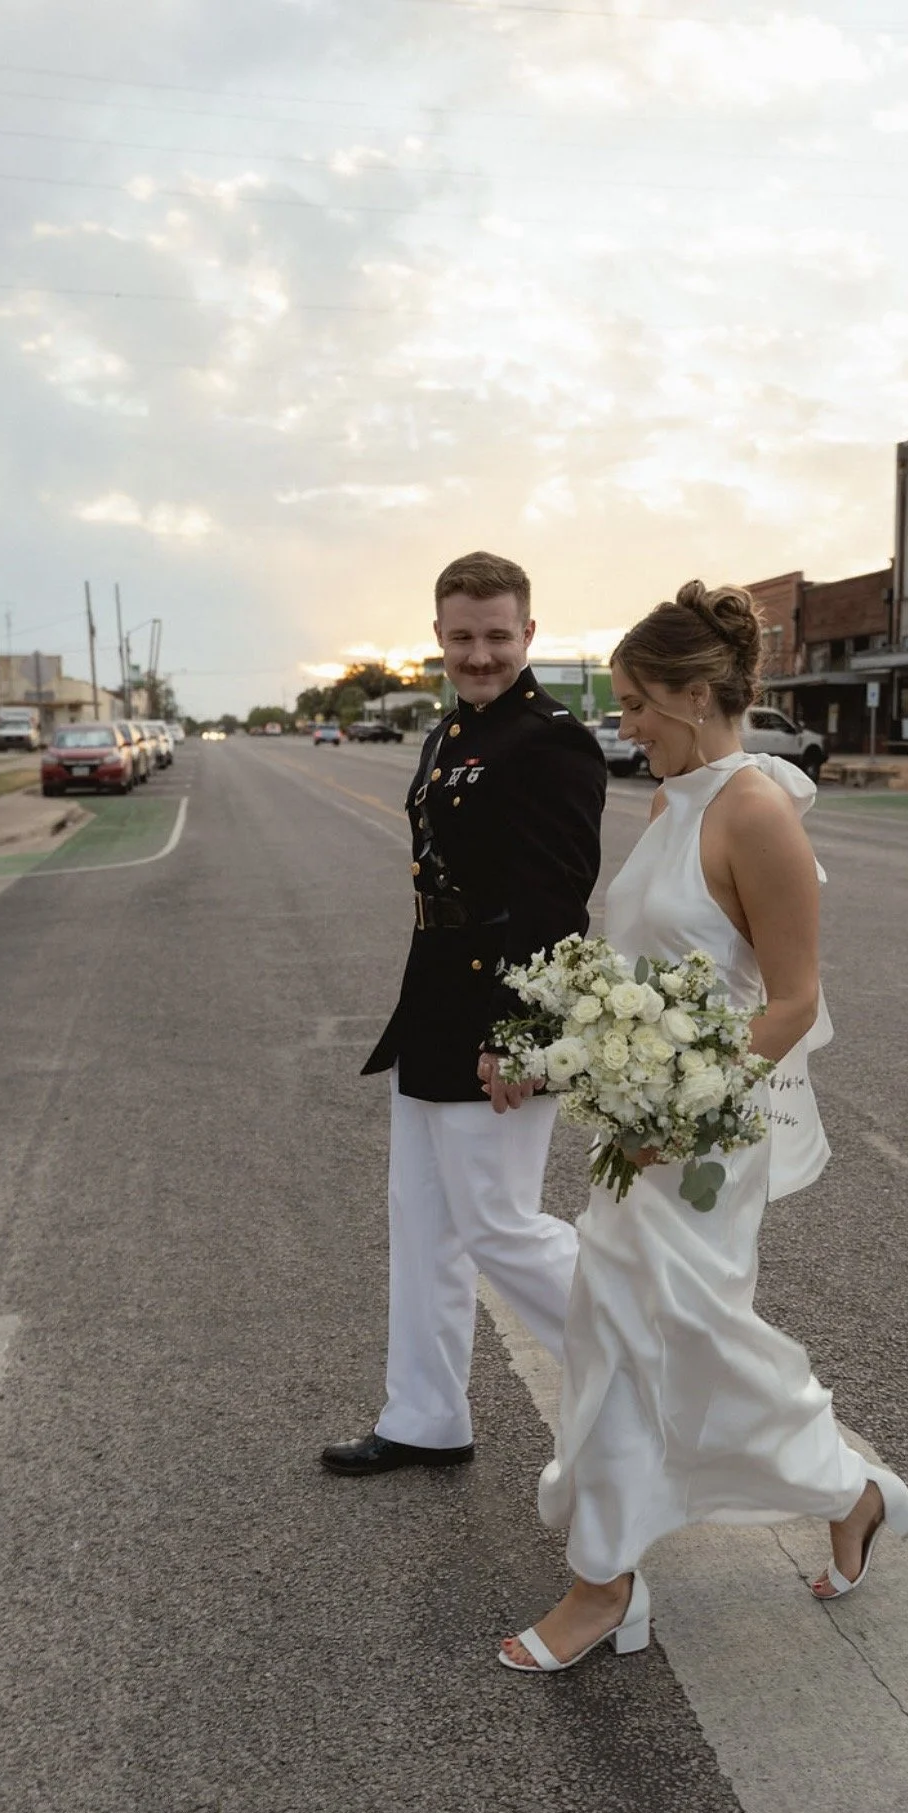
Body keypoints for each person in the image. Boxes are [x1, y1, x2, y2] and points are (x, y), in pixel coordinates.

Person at [497, 581, 908, 1674]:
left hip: (703, 1139)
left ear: (696, 696)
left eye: (638, 702)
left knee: (679, 1336)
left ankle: (831, 1496)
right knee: (616, 1337)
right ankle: (613, 1577)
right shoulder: (668, 803)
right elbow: (636, 978)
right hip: (634, 1130)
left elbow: (790, 1002)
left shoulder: (756, 812)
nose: (624, 723)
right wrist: (580, 1066)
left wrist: (684, 1108)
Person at [322, 551, 607, 1478]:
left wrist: (516, 1031)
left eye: (496, 636)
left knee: (496, 1222)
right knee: (424, 1224)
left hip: (500, 1008)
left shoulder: (551, 739)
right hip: (434, 1001)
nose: (479, 653)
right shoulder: (449, 731)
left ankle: (643, 1358)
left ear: (529, 633)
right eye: (461, 637)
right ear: (437, 638)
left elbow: (558, 902)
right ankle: (425, 1416)